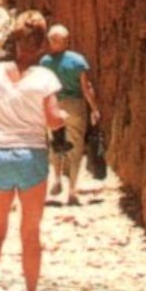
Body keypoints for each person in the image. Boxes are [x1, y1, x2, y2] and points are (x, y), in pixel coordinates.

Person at [0, 10, 66, 291]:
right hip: (30, 156)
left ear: (15, 42)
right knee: (30, 232)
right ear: (42, 45)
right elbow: (53, 121)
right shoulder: (45, 78)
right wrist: (63, 117)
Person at [39, 23, 99, 205]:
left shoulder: (45, 62)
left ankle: (57, 179)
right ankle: (72, 190)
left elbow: (42, 89)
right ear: (67, 41)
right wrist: (94, 108)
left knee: (56, 143)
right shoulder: (78, 60)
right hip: (75, 107)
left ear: (50, 41)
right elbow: (85, 88)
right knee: (76, 146)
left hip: (53, 106)